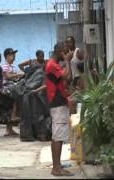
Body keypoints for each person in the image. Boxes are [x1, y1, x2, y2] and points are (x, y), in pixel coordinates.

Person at [45, 42, 74, 176]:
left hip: (59, 101)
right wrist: (68, 61)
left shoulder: (55, 65)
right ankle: (56, 168)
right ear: (58, 52)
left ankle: (57, 165)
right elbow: (67, 76)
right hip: (57, 102)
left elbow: (68, 78)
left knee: (59, 136)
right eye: (64, 52)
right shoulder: (52, 65)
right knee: (58, 136)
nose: (66, 54)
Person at [1, 48, 24, 136]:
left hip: (12, 85)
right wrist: (18, 74)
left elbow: (14, 78)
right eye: (12, 54)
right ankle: (14, 115)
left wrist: (19, 77)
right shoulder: (5, 65)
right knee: (18, 95)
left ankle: (9, 130)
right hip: (6, 86)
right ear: (7, 56)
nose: (14, 56)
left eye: (14, 54)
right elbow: (7, 76)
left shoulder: (13, 66)